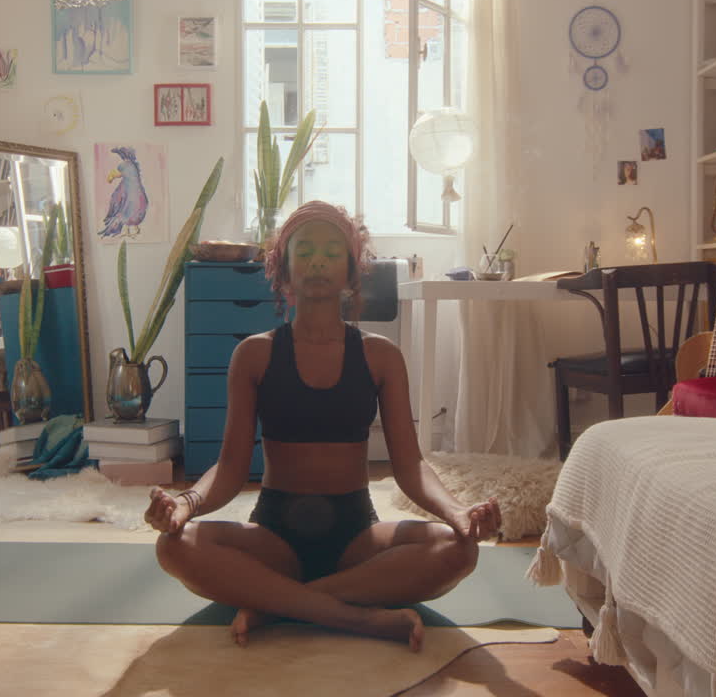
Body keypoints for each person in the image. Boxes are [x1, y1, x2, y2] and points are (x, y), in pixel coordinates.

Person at [145, 200, 501, 652]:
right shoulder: (254, 355)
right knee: (174, 547)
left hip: (357, 537)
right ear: (283, 270)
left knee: (460, 549)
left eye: (332, 252)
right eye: (305, 251)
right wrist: (185, 504)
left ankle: (277, 604)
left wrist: (458, 514)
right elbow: (231, 469)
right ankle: (357, 617)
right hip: (274, 537)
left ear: (353, 273)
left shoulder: (381, 357)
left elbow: (411, 467)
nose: (317, 260)